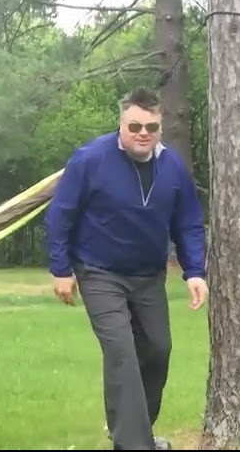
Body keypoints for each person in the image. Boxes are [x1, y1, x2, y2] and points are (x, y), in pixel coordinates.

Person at [45, 87, 209, 451]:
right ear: (121, 124)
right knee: (121, 351)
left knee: (158, 350)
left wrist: (195, 271)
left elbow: (188, 223)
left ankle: (133, 428)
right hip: (99, 272)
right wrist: (61, 269)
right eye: (135, 126)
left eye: (151, 127)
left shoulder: (173, 167)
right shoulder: (90, 159)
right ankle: (135, 444)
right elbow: (60, 215)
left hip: (149, 276)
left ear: (160, 127)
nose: (143, 134)